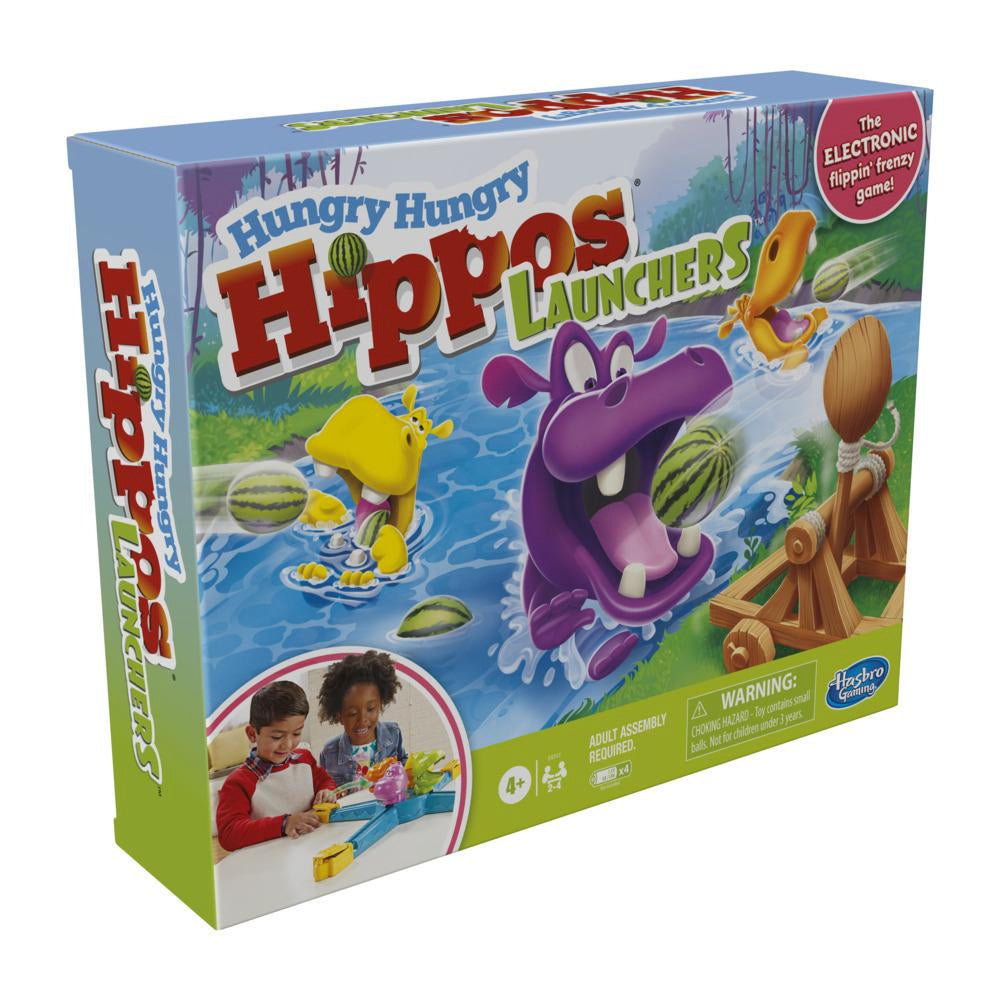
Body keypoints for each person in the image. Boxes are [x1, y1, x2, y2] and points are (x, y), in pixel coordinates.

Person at [215, 680, 337, 851]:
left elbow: (325, 781)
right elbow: (229, 834)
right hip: (268, 860)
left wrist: (326, 791)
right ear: (252, 734)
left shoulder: (305, 759)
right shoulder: (239, 782)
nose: (288, 744)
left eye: (296, 733)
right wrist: (284, 823)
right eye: (277, 737)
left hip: (312, 850)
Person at [317, 650, 408, 787]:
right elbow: (326, 786)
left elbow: (403, 762)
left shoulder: (393, 732)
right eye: (352, 713)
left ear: (380, 704)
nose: (362, 720)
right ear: (339, 715)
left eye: (370, 709)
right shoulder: (329, 752)